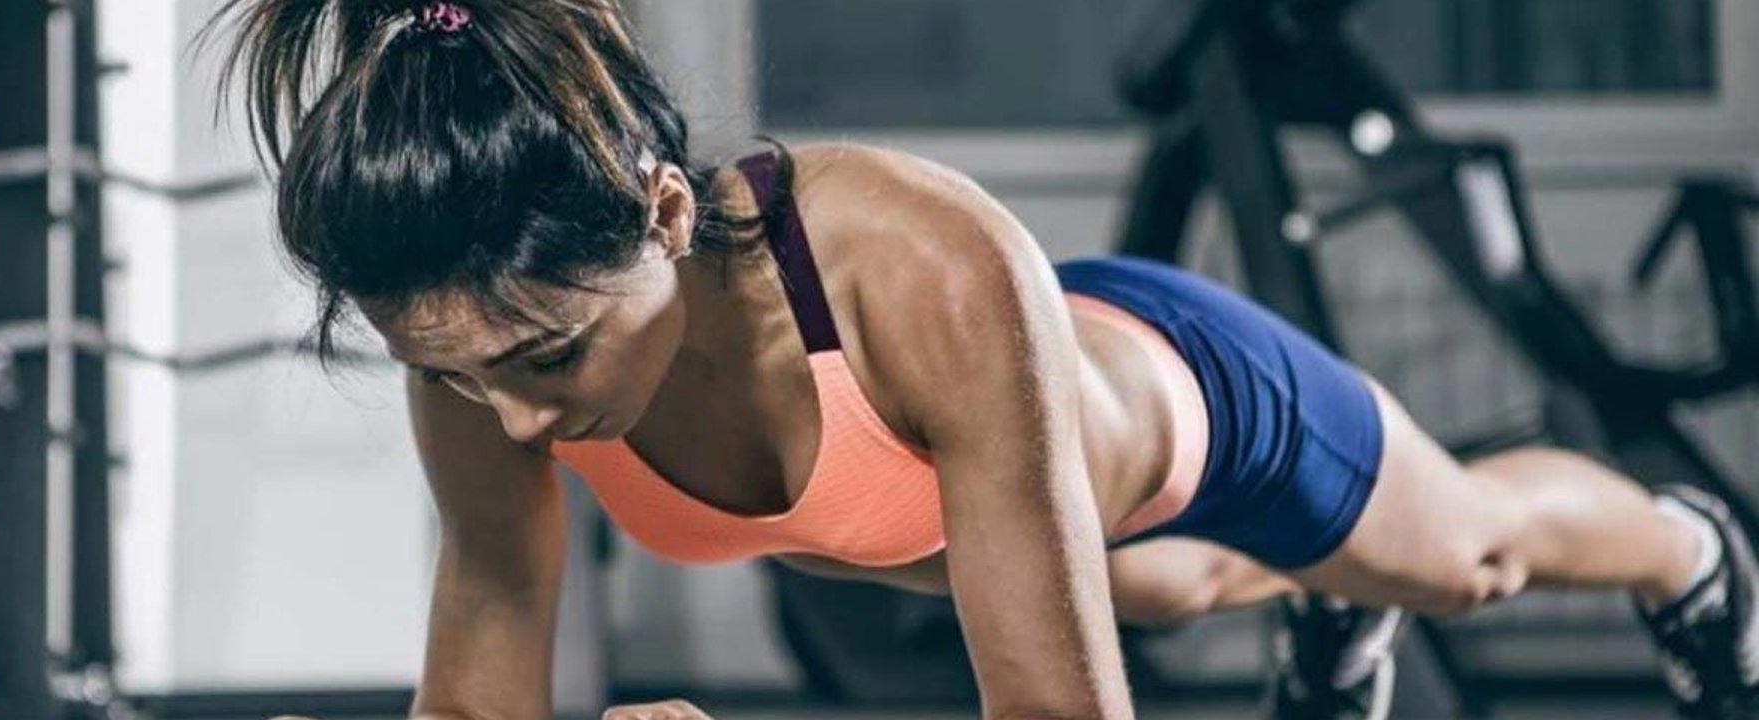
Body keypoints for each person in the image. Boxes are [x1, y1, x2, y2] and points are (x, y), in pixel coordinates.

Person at [204, 1, 1759, 718]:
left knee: (1463, 557)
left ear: (663, 210)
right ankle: (1323, 622)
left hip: (1177, 397)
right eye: (471, 378)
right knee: (1177, 587)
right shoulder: (474, 346)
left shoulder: (920, 263)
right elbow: (477, 707)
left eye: (548, 353)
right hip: (967, 505)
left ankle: (1694, 554)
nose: (519, 416)